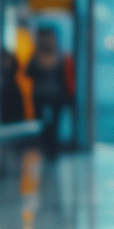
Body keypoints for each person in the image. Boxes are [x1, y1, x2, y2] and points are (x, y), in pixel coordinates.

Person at [24, 26, 73, 154]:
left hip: (51, 95)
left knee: (51, 124)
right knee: (45, 124)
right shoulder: (42, 56)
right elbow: (27, 73)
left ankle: (50, 148)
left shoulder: (58, 57)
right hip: (45, 95)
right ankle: (48, 147)